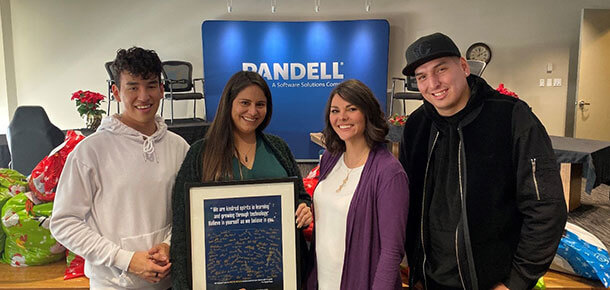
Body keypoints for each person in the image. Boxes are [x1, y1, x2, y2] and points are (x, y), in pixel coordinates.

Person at [399, 32, 567, 290]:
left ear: (464, 67)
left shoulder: (511, 116)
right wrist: (416, 273)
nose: (433, 83)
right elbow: (409, 205)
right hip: (430, 278)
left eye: (441, 69)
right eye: (422, 76)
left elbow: (546, 207)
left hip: (491, 282)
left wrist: (517, 281)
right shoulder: (416, 126)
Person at [50, 47, 190, 289]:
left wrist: (168, 244)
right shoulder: (90, 151)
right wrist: (126, 259)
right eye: (133, 87)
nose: (143, 96)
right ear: (116, 92)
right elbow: (64, 222)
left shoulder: (179, 147)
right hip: (112, 284)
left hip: (169, 282)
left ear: (162, 89)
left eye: (151, 85)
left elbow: (186, 209)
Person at [170, 70, 313, 289]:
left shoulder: (278, 147)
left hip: (275, 272)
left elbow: (300, 195)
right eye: (244, 103)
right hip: (220, 277)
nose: (253, 111)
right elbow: (182, 225)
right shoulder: (201, 153)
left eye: (260, 104)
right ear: (229, 104)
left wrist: (304, 207)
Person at [306, 79, 409, 290]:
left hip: (361, 281)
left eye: (351, 109)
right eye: (335, 110)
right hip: (323, 280)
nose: (341, 117)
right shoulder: (330, 158)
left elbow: (392, 251)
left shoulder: (389, 172)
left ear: (367, 113)